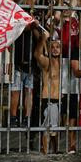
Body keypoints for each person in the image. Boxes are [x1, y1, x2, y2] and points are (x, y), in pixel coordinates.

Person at [33, 26, 61, 154]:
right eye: (53, 47)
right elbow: (37, 54)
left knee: (55, 129)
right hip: (48, 100)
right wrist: (43, 39)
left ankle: (54, 152)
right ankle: (45, 152)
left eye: (57, 47)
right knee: (47, 129)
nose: (55, 49)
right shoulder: (47, 62)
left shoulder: (63, 63)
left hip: (58, 100)